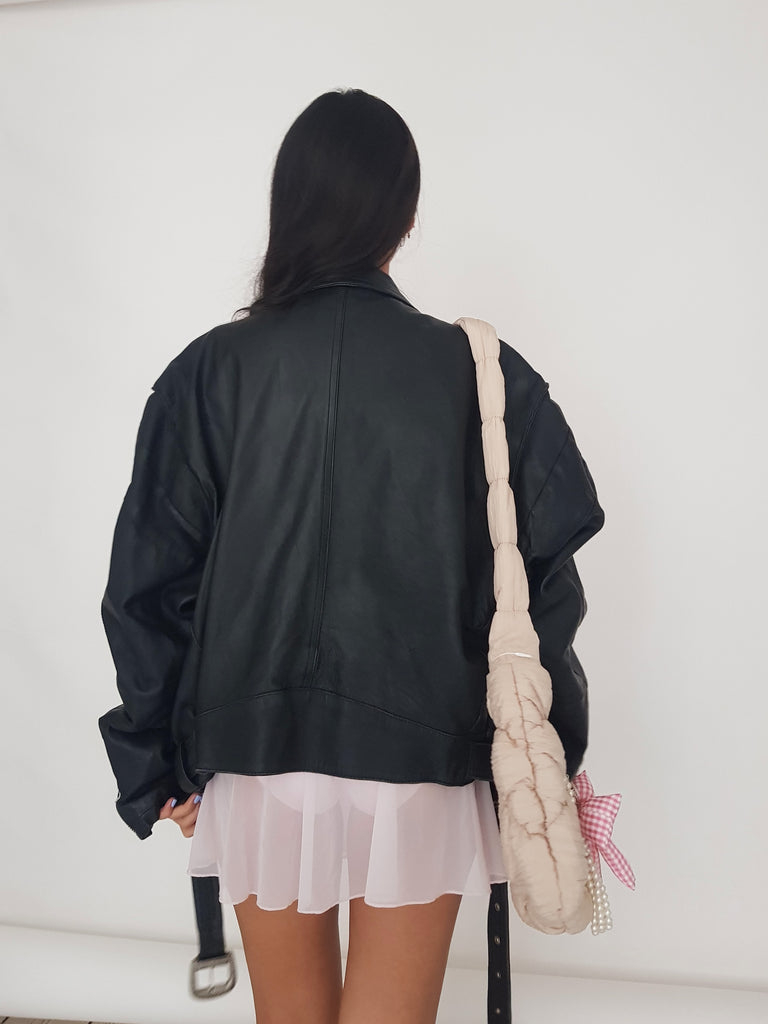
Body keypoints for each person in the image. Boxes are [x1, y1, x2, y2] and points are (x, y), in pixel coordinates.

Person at [98, 88, 605, 1024]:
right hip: (422, 756)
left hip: (256, 754)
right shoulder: (481, 373)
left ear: (286, 203)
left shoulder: (210, 370)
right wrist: (550, 750)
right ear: (404, 216)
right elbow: (543, 589)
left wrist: (156, 760)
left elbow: (148, 584)